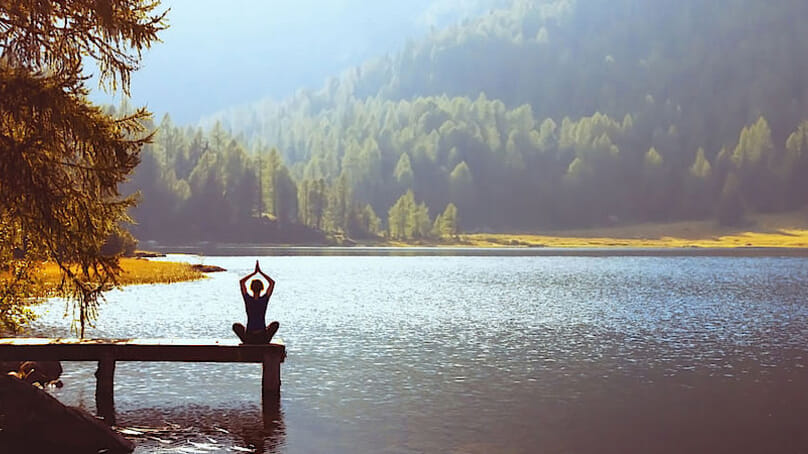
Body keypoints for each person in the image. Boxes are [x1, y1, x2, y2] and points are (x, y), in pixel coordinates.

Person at [233, 260, 279, 344]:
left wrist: (254, 273)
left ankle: (247, 341)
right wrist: (260, 272)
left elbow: (241, 282)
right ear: (262, 288)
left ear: (251, 288)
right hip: (263, 337)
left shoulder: (248, 299)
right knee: (275, 324)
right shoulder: (264, 299)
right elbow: (272, 283)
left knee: (236, 326)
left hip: (249, 337)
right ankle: (264, 341)